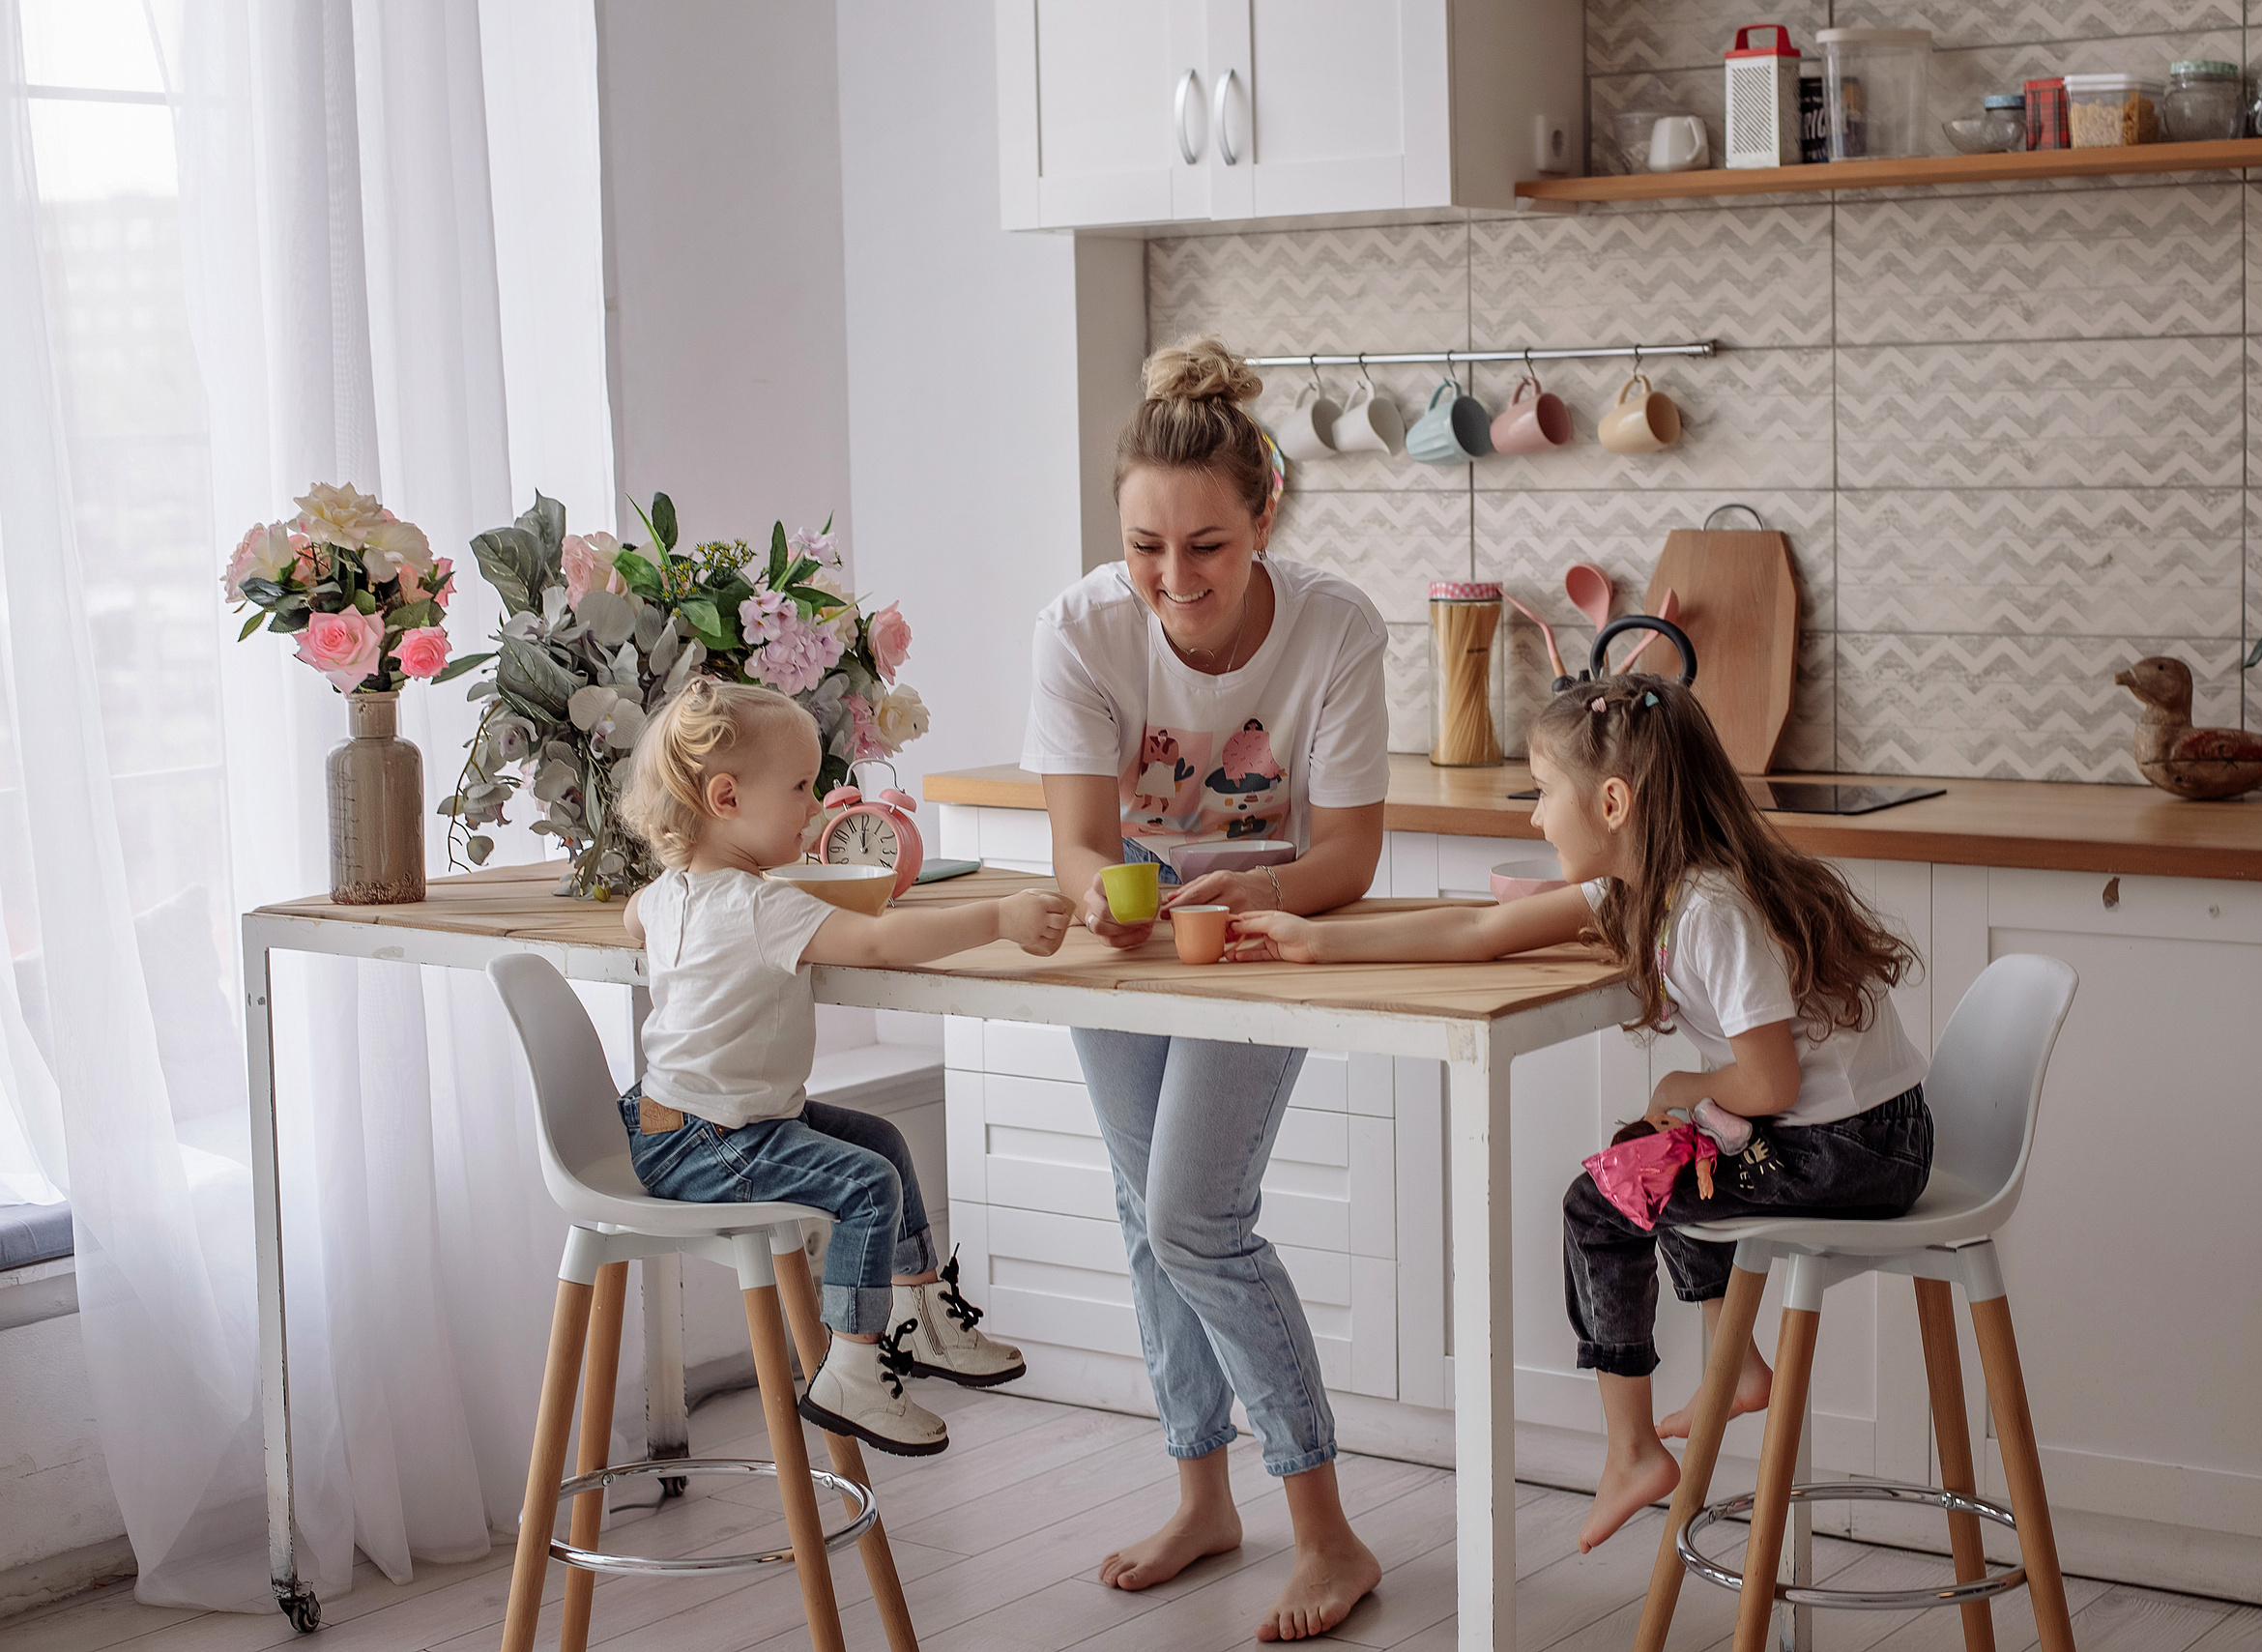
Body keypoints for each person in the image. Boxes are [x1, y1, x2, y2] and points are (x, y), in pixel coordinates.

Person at [1227, 673, 1933, 1554]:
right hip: (1856, 1133)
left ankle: (1634, 1451)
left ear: (1611, 801)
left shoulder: (1710, 909)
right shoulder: (1658, 886)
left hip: (1854, 1148)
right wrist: (1313, 935)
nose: (1533, 818)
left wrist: (1684, 1086)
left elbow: (1773, 1083)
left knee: (1602, 1202)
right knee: (1648, 1158)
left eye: (1541, 792)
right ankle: (1733, 1363)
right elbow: (1480, 933)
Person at [1024, 336, 1391, 1642]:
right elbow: (1075, 844)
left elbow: (1347, 852)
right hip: (1129, 947)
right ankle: (1202, 1496)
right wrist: (1099, 898)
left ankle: (1328, 1535)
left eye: (1208, 549)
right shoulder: (1080, 628)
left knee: (1195, 1218)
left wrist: (1257, 897)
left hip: (1260, 942)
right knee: (1145, 1215)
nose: (1173, 581)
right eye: (1144, 549)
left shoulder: (1336, 625)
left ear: (1266, 514)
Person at [617, 678, 1074, 1457]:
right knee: (870, 1183)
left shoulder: (668, 894)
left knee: (882, 1139)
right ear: (726, 797)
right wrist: (998, 917)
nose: (815, 802)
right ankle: (851, 1370)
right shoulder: (764, 906)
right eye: (799, 787)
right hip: (716, 1133)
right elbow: (879, 943)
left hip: (667, 1120)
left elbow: (631, 918)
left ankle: (920, 1310)